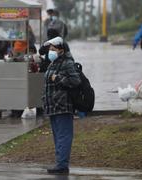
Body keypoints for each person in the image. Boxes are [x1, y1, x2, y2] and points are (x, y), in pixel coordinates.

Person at [43, 37, 81, 175]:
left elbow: (75, 81)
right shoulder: (53, 63)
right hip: (53, 106)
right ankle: (60, 163)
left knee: (64, 136)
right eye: (49, 49)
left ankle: (62, 165)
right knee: (58, 136)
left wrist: (58, 78)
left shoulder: (67, 62)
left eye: (53, 49)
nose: (50, 52)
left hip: (63, 106)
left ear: (61, 50)